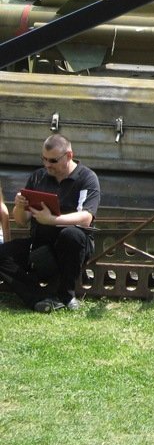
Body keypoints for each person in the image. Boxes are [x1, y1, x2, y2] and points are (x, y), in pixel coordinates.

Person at [0, 134, 100, 312]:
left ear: (69, 156)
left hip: (72, 247)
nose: (47, 165)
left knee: (72, 234)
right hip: (39, 243)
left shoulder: (87, 178)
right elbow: (22, 221)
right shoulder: (38, 177)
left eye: (53, 160)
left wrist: (53, 220)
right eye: (44, 159)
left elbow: (86, 218)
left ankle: (66, 295)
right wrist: (20, 206)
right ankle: (39, 297)